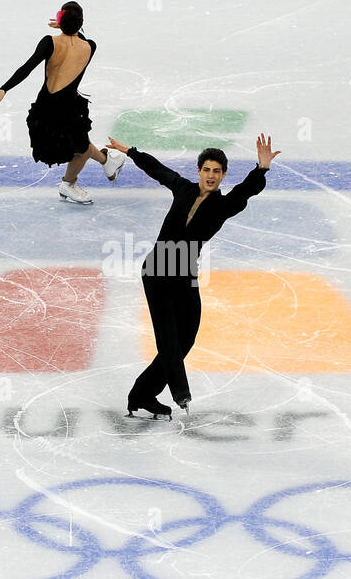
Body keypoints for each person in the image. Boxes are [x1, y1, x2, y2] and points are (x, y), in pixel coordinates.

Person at [104, 133, 281, 418]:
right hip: (158, 270)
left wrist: (261, 169)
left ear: (223, 175)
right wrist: (131, 151)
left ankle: (142, 394)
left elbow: (247, 190)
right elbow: (158, 170)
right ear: (199, 171)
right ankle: (178, 392)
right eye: (207, 169)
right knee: (168, 339)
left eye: (217, 171)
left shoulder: (225, 205)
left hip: (185, 273)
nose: (211, 175)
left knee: (185, 338)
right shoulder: (183, 188)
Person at [0, 1, 122, 205]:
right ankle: (94, 168)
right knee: (81, 147)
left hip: (45, 109)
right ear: (82, 22)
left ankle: (76, 180)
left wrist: (3, 89)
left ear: (60, 20)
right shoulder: (89, 47)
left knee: (81, 147)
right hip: (70, 109)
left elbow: (27, 67)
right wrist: (69, 27)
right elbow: (79, 37)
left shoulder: (49, 43)